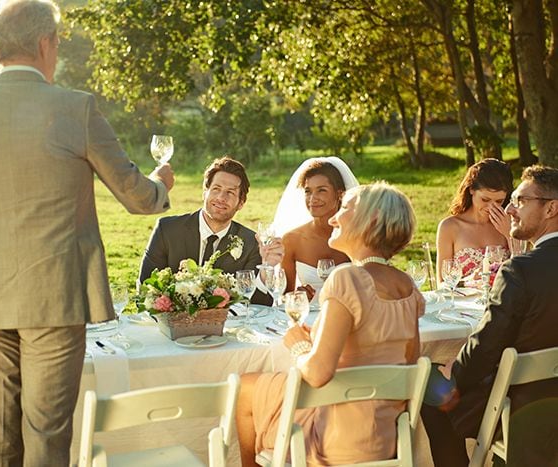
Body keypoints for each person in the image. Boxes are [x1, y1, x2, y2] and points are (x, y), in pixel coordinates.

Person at [0, 1, 174, 465]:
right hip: (55, 299)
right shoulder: (76, 108)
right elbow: (137, 197)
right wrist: (163, 184)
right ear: (44, 44)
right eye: (57, 43)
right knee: (47, 435)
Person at [236, 182, 423, 466]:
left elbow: (318, 374)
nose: (334, 217)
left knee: (243, 388)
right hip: (383, 438)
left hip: (336, 437)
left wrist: (297, 343)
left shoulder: (347, 278)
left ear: (370, 221)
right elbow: (407, 365)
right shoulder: (407, 286)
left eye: (344, 208)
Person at [422, 165, 558, 467]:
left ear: (551, 208)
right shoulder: (524, 264)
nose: (509, 209)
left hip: (522, 403)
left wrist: (453, 374)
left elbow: (486, 347)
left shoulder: (520, 269)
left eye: (520, 201)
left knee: (430, 386)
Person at [139, 156, 283, 305]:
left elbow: (256, 306)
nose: (221, 197)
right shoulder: (167, 229)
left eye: (230, 193)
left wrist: (267, 267)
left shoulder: (252, 243)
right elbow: (145, 289)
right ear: (204, 192)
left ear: (241, 203)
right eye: (216, 189)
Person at [274, 157, 358, 303]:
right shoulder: (291, 240)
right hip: (308, 321)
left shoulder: (357, 236)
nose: (312, 198)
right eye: (308, 191)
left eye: (321, 190)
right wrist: (297, 296)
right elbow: (284, 299)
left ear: (340, 194)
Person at [436, 158, 514, 285]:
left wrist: (509, 235)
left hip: (503, 301)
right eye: (485, 199)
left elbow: (525, 272)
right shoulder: (450, 227)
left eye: (499, 201)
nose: (491, 207)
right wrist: (468, 282)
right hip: (464, 303)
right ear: (471, 189)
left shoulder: (510, 223)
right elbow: (442, 283)